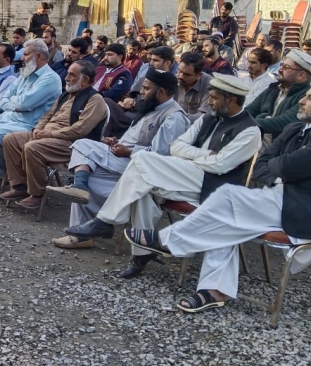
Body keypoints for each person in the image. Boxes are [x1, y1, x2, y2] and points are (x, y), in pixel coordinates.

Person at [125, 82, 311, 314]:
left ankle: (168, 241)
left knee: (227, 197)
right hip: (279, 198)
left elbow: (288, 167)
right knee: (226, 217)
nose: (302, 101)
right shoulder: (294, 128)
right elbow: (263, 166)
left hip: (303, 212)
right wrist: (279, 169)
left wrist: (280, 168)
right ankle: (213, 291)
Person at [71, 75, 261, 275]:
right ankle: (141, 255)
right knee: (143, 186)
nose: (209, 102)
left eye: (213, 98)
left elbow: (220, 166)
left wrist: (190, 157)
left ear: (230, 100)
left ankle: (105, 221)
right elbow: (176, 146)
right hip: (184, 175)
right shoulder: (208, 118)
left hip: (213, 187)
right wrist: (203, 155)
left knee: (143, 160)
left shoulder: (249, 131)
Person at [50, 69, 190, 248]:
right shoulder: (150, 107)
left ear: (161, 92)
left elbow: (162, 156)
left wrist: (128, 151)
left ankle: (83, 191)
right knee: (87, 184)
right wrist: (116, 143)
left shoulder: (174, 117)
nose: (141, 92)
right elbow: (134, 138)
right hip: (125, 162)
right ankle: (81, 233)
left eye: (146, 88)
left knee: (82, 145)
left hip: (144, 173)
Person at [0, 61, 107, 210]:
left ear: (85, 80)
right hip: (46, 136)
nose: (66, 78)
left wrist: (49, 133)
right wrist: (38, 129)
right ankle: (20, 186)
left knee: (32, 148)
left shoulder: (95, 100)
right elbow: (47, 115)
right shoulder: (66, 95)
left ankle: (37, 194)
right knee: (10, 139)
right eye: (68, 73)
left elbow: (80, 130)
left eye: (72, 75)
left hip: (71, 144)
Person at [0, 39, 62, 189]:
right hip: (8, 118)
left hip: (27, 125)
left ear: (39, 57)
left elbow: (25, 104)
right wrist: (16, 104)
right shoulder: (25, 74)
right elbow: (4, 101)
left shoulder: (50, 79)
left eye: (26, 54)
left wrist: (14, 103)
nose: (21, 58)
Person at [245, 49, 311, 146]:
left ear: (301, 75)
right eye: (281, 65)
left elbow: (283, 123)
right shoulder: (274, 88)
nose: (280, 69)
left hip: (281, 148)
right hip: (258, 140)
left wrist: (246, 124)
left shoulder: (308, 96)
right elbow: (250, 110)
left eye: (286, 67)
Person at [175, 52, 213, 122]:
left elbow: (204, 116)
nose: (180, 76)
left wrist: (178, 119)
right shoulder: (173, 79)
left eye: (187, 75)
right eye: (179, 71)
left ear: (199, 75)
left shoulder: (209, 86)